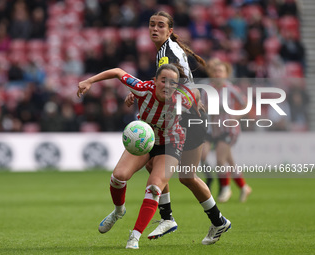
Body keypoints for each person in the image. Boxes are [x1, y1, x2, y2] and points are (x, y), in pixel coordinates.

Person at [77, 64, 218, 249]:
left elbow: (195, 93)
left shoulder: (183, 97)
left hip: (171, 144)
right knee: (118, 177)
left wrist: (197, 105)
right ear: (154, 81)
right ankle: (118, 211)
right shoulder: (143, 89)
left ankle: (134, 237)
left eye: (173, 83)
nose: (168, 85)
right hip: (145, 141)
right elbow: (119, 72)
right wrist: (89, 81)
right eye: (163, 81)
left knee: (153, 187)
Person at [125, 11, 231, 243]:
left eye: (160, 25)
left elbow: (173, 83)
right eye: (151, 24)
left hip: (186, 118)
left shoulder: (166, 54)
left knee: (181, 173)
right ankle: (213, 221)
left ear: (169, 31)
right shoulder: (167, 49)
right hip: (185, 115)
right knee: (165, 166)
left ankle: (177, 218)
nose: (154, 29)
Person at [204, 61, 252, 203]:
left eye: (221, 71)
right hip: (216, 130)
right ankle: (244, 187)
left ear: (226, 74)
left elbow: (246, 104)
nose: (218, 74)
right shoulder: (207, 90)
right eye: (215, 71)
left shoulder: (231, 89)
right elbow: (203, 108)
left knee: (220, 159)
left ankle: (225, 188)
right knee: (230, 162)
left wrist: (236, 115)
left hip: (230, 130)